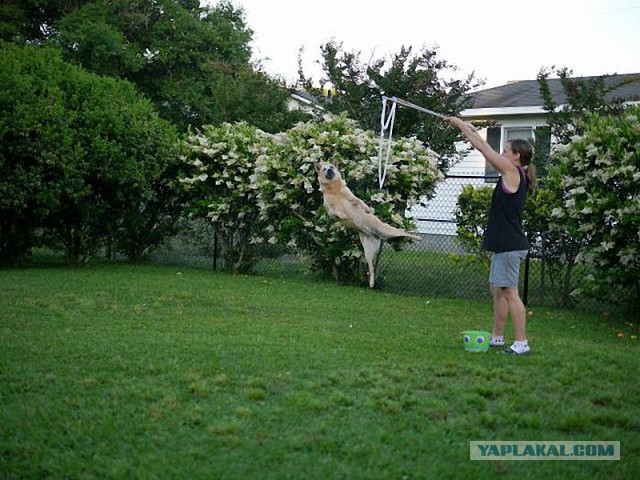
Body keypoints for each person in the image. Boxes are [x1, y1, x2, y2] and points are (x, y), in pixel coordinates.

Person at [447, 117, 537, 355]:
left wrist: (459, 124)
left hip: (509, 244)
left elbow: (482, 147)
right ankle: (497, 338)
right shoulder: (512, 171)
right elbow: (480, 141)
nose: (503, 153)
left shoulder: (512, 171)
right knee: (498, 290)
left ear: (516, 155)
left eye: (506, 150)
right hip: (504, 244)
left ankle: (521, 343)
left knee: (510, 292)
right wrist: (464, 126)